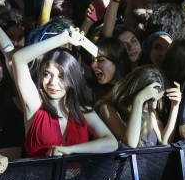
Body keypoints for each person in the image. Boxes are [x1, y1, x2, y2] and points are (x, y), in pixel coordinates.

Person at [11, 27, 118, 157]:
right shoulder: (34, 103)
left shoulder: (81, 110)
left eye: (61, 76)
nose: (53, 83)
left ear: (72, 78)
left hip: (78, 177)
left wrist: (70, 150)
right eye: (47, 74)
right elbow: (18, 58)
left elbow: (111, 143)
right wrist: (63, 38)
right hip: (39, 177)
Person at [97, 65, 181, 148]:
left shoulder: (150, 110)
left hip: (151, 160)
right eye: (151, 100)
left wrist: (175, 106)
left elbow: (165, 141)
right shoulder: (108, 108)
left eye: (157, 100)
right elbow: (131, 142)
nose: (154, 106)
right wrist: (138, 101)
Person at [87, 37, 132, 106]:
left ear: (117, 61)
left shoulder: (134, 88)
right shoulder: (90, 93)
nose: (93, 65)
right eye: (93, 60)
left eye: (100, 60)